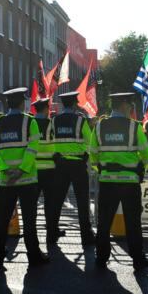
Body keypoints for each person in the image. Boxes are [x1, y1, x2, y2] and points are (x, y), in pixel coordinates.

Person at [89, 92, 148, 272]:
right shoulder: (134, 127)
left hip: (107, 181)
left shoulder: (100, 126)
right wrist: (140, 172)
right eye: (130, 105)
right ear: (124, 105)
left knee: (104, 221)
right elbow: (146, 156)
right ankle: (138, 260)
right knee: (133, 222)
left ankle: (101, 258)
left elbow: (93, 154)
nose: (131, 108)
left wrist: (101, 170)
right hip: (130, 183)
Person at [0, 87, 48, 272]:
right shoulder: (30, 122)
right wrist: (22, 170)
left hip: (6, 181)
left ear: (7, 104)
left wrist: (6, 169)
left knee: (3, 220)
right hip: (27, 180)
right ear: (22, 103)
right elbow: (33, 148)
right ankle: (34, 256)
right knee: (30, 221)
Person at [48, 91, 96, 247]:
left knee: (57, 200)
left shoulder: (54, 120)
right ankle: (86, 236)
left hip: (60, 165)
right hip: (78, 165)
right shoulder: (80, 121)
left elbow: (49, 141)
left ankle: (52, 232)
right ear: (75, 104)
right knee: (82, 202)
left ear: (62, 104)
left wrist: (56, 154)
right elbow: (90, 142)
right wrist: (86, 156)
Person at [31, 97, 60, 246]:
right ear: (45, 109)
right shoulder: (51, 124)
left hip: (32, 170)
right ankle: (51, 234)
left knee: (32, 205)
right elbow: (57, 145)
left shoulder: (29, 123)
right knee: (50, 204)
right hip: (49, 170)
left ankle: (32, 233)